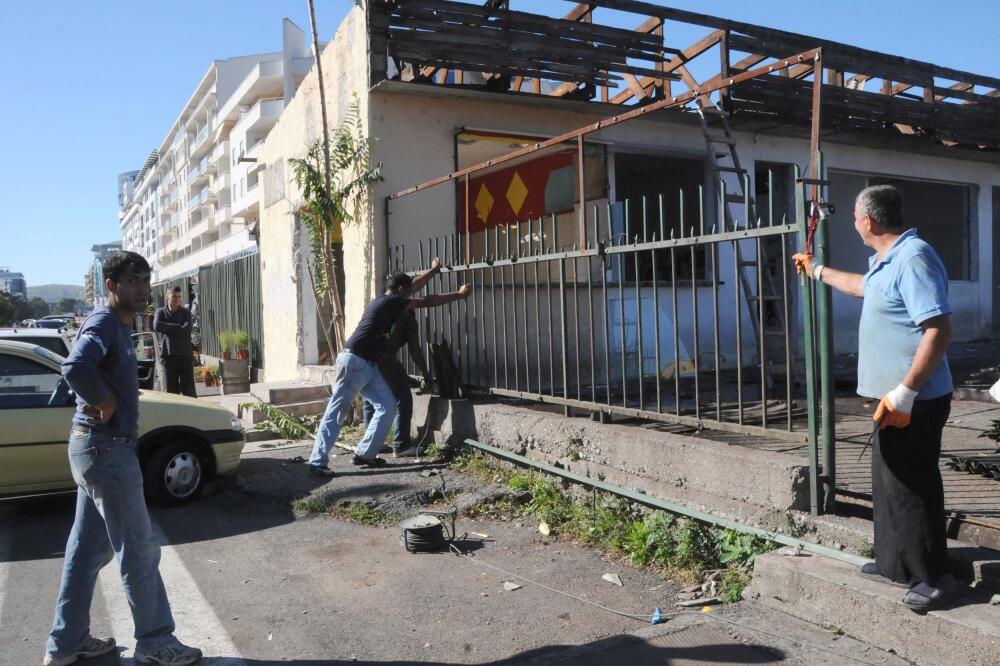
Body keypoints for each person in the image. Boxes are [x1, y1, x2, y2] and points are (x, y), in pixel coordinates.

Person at [793, 184, 954, 612]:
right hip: (893, 399)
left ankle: (934, 577)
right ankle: (894, 563)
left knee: (913, 486)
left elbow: (938, 329)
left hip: (914, 399)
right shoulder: (888, 260)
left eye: (853, 217)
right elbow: (862, 286)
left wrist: (906, 392)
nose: (853, 223)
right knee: (888, 484)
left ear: (869, 221)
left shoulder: (914, 257)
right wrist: (817, 270)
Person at [45, 251, 202, 666]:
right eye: (133, 281)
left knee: (85, 554)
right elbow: (75, 366)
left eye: (146, 281)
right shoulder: (104, 321)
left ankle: (66, 643)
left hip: (96, 450)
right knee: (139, 550)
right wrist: (105, 401)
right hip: (106, 449)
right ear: (111, 285)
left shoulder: (119, 324)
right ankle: (155, 641)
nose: (143, 289)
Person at [308, 258, 466, 476]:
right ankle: (317, 461)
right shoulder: (390, 301)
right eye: (408, 291)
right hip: (355, 361)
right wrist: (458, 295)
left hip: (368, 364)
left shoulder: (388, 299)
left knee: (388, 405)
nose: (411, 294)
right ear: (401, 290)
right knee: (337, 410)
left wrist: (433, 270)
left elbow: (416, 285)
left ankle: (365, 453)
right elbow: (426, 300)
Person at [362, 290, 432, 458]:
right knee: (403, 397)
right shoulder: (408, 319)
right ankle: (401, 445)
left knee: (370, 398)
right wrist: (425, 373)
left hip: (365, 356)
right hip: (384, 357)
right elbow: (414, 350)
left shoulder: (381, 311)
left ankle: (373, 444)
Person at [153, 286, 196, 397]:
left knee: (189, 390)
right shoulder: (161, 312)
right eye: (174, 296)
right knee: (171, 391)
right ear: (168, 297)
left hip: (185, 355)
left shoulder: (186, 313)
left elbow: (187, 329)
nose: (177, 299)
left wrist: (167, 329)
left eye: (179, 296)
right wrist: (178, 326)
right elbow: (157, 325)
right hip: (169, 356)